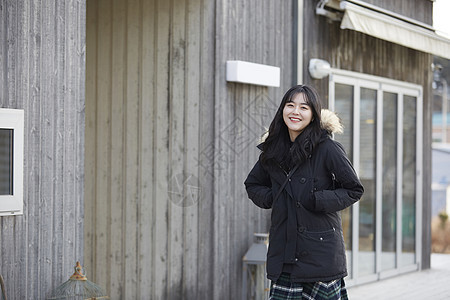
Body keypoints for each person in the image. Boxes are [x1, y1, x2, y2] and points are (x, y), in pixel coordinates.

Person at [244, 84, 364, 300]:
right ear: (283, 110)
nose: (295, 112)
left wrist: (317, 200)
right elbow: (252, 184)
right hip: (285, 252)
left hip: (320, 252)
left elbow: (354, 189)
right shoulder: (273, 149)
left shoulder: (327, 148)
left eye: (303, 107)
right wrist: (273, 197)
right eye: (290, 105)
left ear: (313, 114)